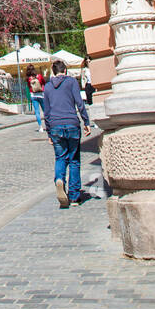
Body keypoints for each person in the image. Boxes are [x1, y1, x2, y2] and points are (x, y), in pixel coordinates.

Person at [43, 60, 92, 208]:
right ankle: (75, 197)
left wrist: (49, 133)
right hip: (72, 124)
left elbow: (47, 113)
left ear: (53, 72)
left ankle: (59, 179)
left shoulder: (48, 87)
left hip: (56, 126)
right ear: (65, 71)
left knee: (60, 158)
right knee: (74, 160)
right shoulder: (71, 82)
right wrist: (86, 122)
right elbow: (80, 103)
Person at [26, 65, 45, 132]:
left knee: (37, 112)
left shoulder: (28, 79)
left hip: (33, 95)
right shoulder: (39, 76)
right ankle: (48, 124)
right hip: (41, 95)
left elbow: (29, 87)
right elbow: (43, 82)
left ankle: (40, 127)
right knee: (45, 111)